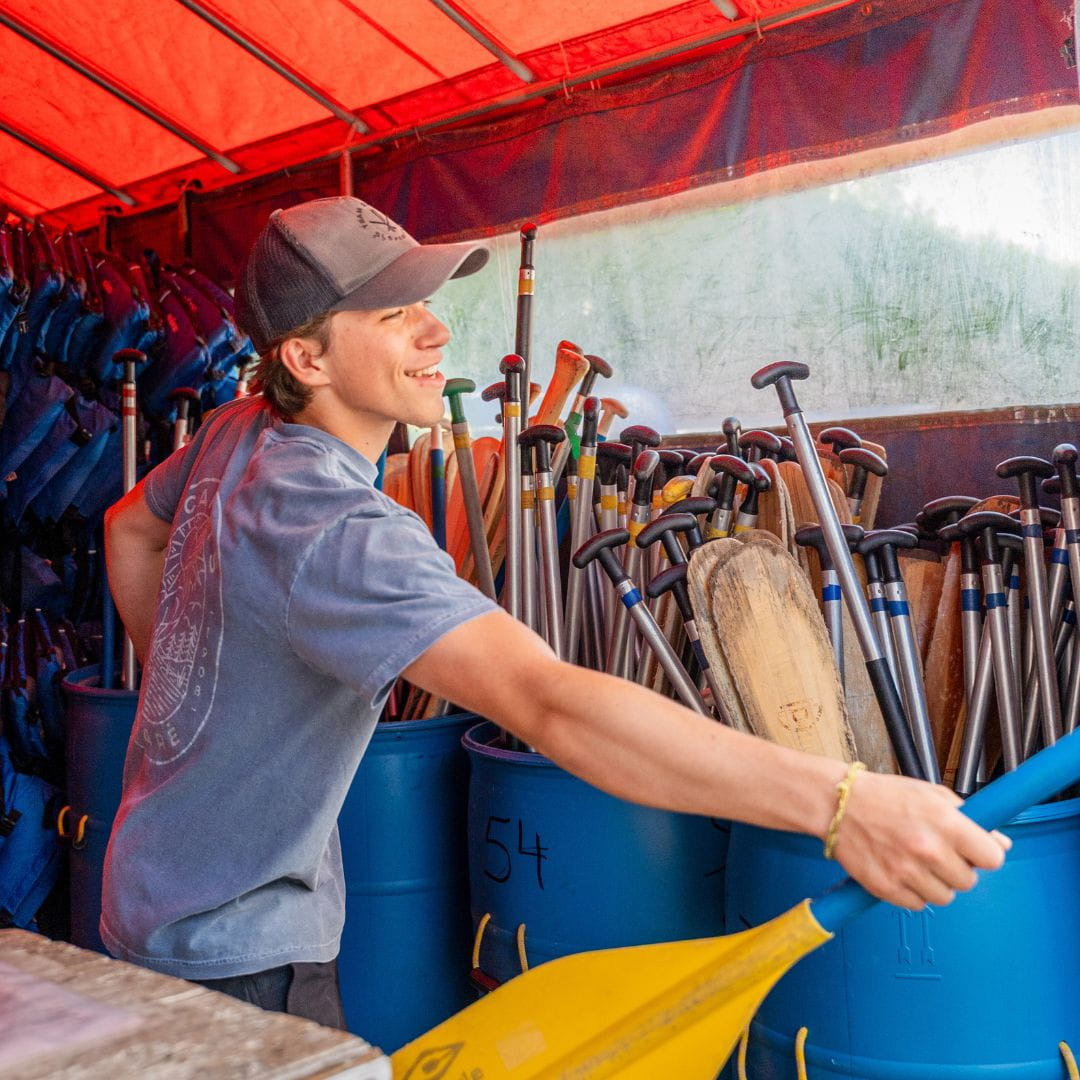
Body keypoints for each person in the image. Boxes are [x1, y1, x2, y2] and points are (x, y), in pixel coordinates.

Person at [101, 196, 1008, 1029]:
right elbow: (549, 704)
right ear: (307, 358)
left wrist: (187, 699)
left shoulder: (240, 428)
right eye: (393, 316)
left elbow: (127, 526)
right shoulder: (337, 530)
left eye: (425, 301)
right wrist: (842, 803)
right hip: (237, 954)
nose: (436, 329)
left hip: (143, 892)